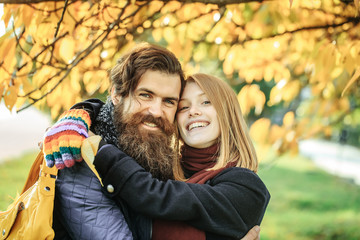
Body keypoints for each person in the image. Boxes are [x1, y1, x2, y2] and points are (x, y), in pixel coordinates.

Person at [44, 42, 265, 239]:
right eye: (145, 95)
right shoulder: (83, 163)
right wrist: (82, 113)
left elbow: (153, 193)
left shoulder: (158, 161)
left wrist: (96, 140)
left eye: (169, 101)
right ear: (116, 95)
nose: (157, 111)